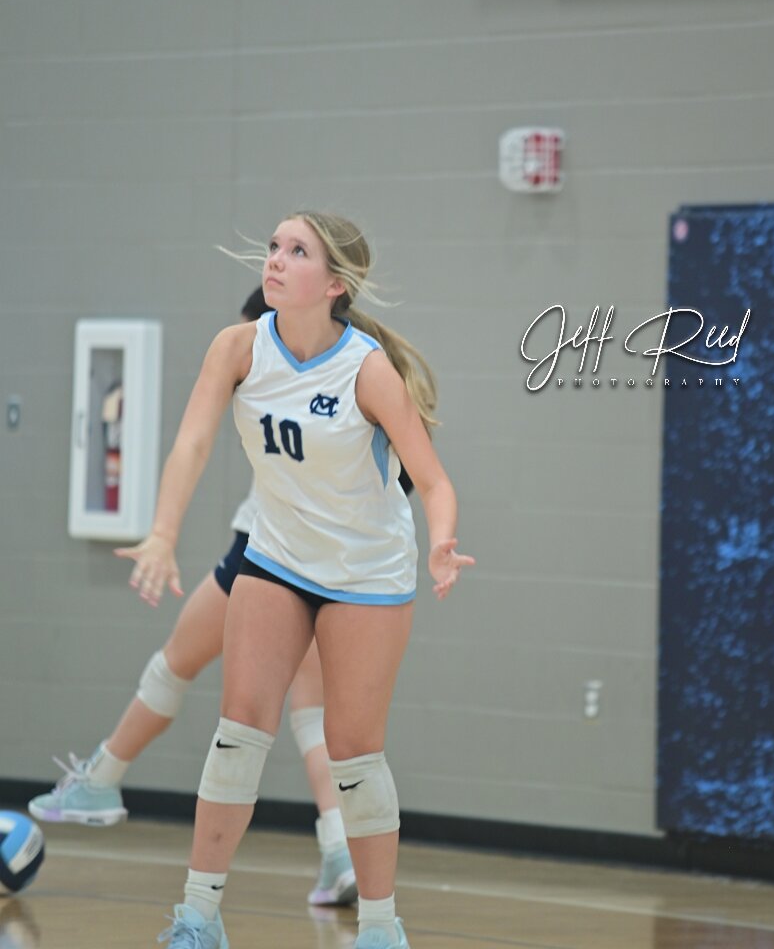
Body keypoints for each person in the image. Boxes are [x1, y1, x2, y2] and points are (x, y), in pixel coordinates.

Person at [119, 211, 474, 949]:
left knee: (354, 753)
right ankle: (198, 918)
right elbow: (191, 444)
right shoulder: (238, 347)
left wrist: (442, 543)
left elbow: (435, 481)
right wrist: (161, 534)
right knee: (238, 731)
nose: (275, 259)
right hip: (277, 556)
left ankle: (380, 930)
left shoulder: (367, 369)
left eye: (297, 251)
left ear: (335, 284)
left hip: (365, 571)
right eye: (275, 247)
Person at [28, 288, 366, 908]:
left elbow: (193, 444)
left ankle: (102, 780)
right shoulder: (357, 369)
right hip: (335, 569)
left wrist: (163, 535)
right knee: (312, 717)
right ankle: (339, 847)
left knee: (178, 666)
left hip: (266, 555)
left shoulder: (275, 372)